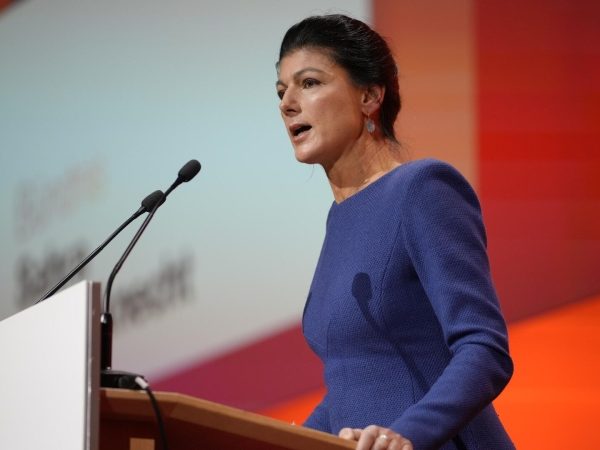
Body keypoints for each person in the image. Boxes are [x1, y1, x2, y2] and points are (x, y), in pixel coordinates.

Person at [275, 14, 515, 450]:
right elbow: (353, 385)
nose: (287, 103)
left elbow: (485, 348)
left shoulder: (423, 189)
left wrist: (407, 433)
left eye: (308, 83)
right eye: (280, 91)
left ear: (369, 95)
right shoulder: (339, 220)